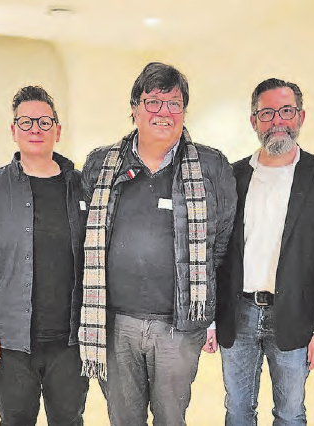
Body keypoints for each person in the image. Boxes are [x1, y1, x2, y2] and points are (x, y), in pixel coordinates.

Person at [80, 61, 237, 426]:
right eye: (153, 101)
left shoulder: (211, 166)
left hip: (178, 327)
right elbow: (86, 235)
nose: (164, 112)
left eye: (174, 103)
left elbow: (220, 242)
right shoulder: (101, 164)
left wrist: (209, 313)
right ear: (134, 108)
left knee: (171, 418)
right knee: (124, 419)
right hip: (114, 323)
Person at [214, 78, 314, 425]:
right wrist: (211, 319)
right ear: (253, 121)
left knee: (290, 414)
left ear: (300, 116)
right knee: (237, 411)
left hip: (296, 316)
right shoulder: (231, 176)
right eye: (267, 113)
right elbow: (219, 253)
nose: (277, 121)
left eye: (286, 111)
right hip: (238, 315)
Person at [0, 86, 88, 425]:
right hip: (10, 343)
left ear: (57, 130)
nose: (36, 128)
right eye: (26, 122)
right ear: (14, 130)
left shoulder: (81, 186)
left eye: (44, 121)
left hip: (71, 342)